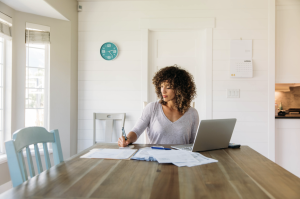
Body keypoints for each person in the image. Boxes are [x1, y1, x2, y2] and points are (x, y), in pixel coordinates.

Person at [118, 65, 199, 147]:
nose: (163, 91)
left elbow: (193, 143)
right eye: (161, 86)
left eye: (168, 87)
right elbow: (136, 130)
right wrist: (127, 139)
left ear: (180, 89)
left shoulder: (192, 113)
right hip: (156, 157)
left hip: (182, 158)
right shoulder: (152, 108)